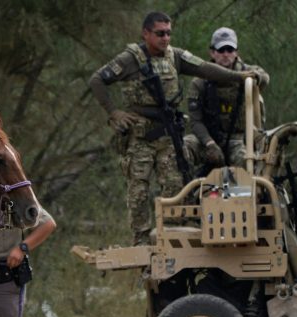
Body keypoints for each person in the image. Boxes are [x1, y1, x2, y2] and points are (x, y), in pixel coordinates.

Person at [89, 11, 262, 245]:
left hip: (168, 133)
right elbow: (97, 80)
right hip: (140, 136)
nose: (166, 38)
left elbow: (204, 69)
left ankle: (174, 231)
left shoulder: (175, 56)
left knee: (175, 183)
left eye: (169, 33)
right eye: (160, 33)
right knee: (138, 189)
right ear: (146, 33)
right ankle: (141, 238)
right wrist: (113, 112)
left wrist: (239, 76)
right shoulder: (130, 59)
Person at [186, 27, 269, 170]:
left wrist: (256, 78)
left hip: (238, 140)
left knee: (248, 162)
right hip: (209, 139)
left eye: (230, 50)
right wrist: (209, 143)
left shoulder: (247, 73)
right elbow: (196, 121)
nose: (226, 54)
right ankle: (184, 189)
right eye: (221, 50)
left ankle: (253, 191)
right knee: (181, 148)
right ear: (212, 52)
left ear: (236, 52)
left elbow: (264, 77)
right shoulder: (200, 82)